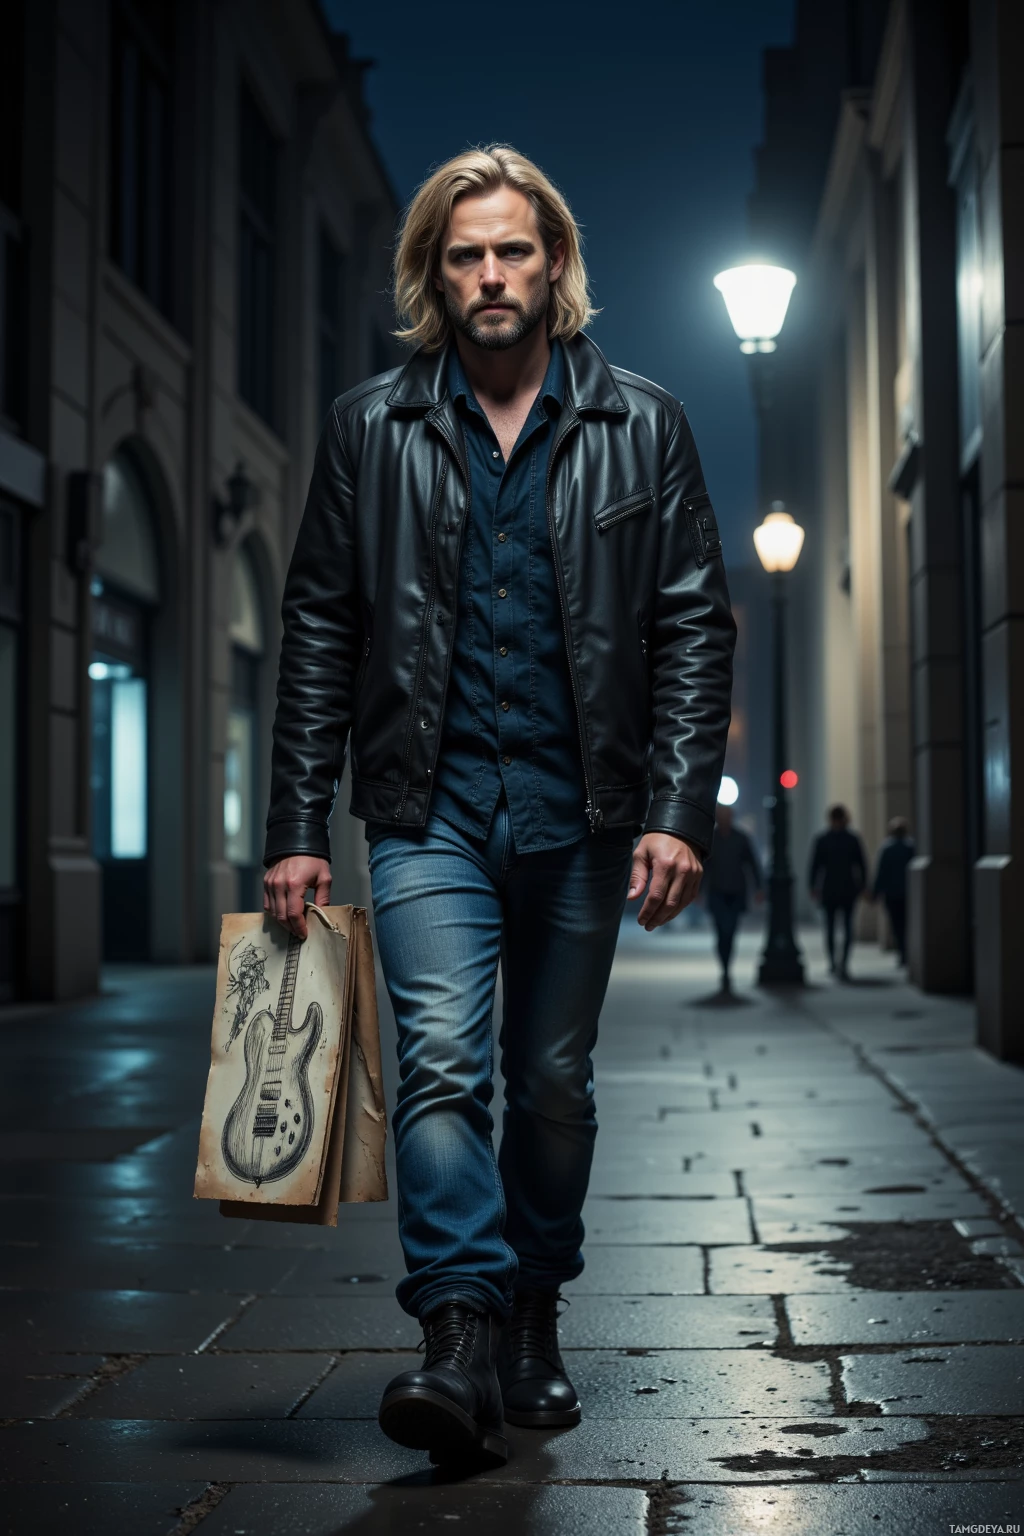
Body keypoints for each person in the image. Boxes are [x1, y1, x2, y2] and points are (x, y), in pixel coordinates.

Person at [261, 146, 735, 1467]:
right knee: (443, 1065)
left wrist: (677, 810)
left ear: (555, 263)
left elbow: (695, 624)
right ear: (432, 273)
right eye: (464, 254)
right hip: (428, 810)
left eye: (511, 250)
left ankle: (535, 1306)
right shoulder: (372, 428)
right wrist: (298, 821)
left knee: (552, 1080)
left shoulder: (646, 423)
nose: (489, 276)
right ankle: (459, 1336)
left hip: (585, 818)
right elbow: (316, 631)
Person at [704, 803, 762, 991]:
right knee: (721, 931)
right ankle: (725, 967)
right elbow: (704, 867)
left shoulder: (741, 838)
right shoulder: (711, 839)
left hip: (736, 891)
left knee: (730, 931)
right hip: (717, 892)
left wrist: (759, 888)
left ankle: (727, 967)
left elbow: (752, 864)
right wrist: (696, 890)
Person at [809, 805, 868, 979]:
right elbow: (861, 865)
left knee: (834, 927)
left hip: (833, 888)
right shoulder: (851, 839)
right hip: (845, 888)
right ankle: (839, 962)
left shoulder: (824, 839)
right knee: (840, 927)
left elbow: (815, 866)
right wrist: (863, 885)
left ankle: (837, 963)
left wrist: (813, 886)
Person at [872, 817, 915, 965]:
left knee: (897, 925)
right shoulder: (911, 847)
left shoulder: (887, 848)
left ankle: (902, 952)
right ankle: (906, 952)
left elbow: (881, 872)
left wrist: (875, 893)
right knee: (907, 923)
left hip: (892, 894)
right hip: (908, 893)